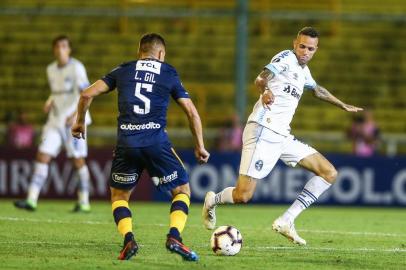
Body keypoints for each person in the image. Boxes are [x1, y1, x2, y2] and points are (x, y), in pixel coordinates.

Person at [202, 27, 363, 245]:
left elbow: (317, 90)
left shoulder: (303, 71)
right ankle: (213, 200)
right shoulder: (286, 57)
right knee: (243, 196)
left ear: (316, 50)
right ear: (295, 43)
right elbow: (261, 78)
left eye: (310, 49)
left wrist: (342, 105)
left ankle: (287, 220)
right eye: (302, 46)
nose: (305, 51)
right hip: (263, 129)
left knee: (329, 173)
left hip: (282, 136)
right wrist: (265, 91)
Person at [71, 33, 209, 261]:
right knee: (182, 191)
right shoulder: (168, 72)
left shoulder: (123, 69)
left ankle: (128, 240)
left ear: (140, 52)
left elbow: (86, 94)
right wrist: (200, 146)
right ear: (161, 54)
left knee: (119, 196)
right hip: (157, 142)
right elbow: (192, 112)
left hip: (126, 144)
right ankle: (174, 236)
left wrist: (79, 121)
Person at [14, 35, 92, 212]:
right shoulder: (50, 69)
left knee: (77, 160)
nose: (60, 49)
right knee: (42, 155)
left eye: (64, 46)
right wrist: (50, 100)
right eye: (57, 46)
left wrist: (76, 114)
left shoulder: (77, 68)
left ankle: (84, 201)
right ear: (53, 50)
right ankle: (31, 200)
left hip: (74, 122)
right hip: (55, 120)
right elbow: (58, 92)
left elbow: (87, 94)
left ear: (69, 49)